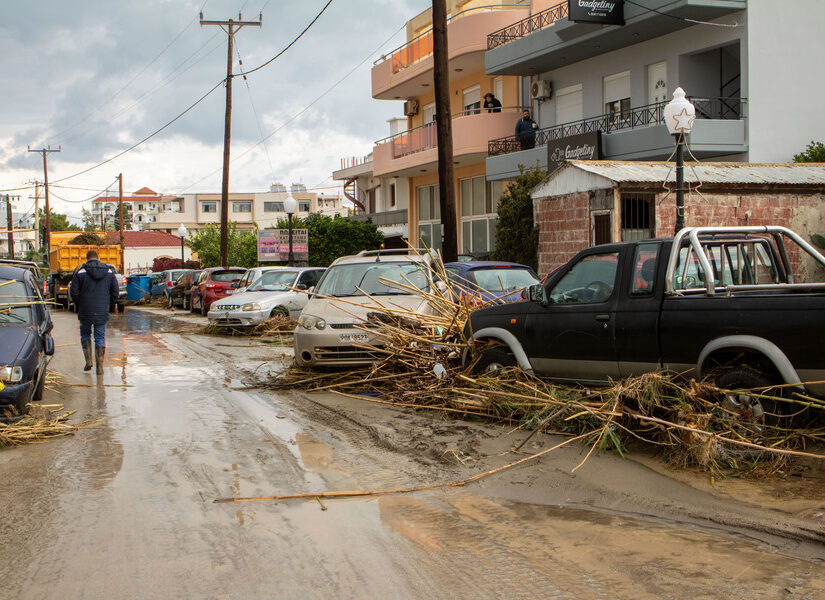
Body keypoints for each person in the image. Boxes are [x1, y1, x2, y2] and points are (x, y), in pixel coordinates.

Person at [69, 250, 119, 374]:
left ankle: (88, 361)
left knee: (85, 335)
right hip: (102, 310)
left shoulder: (81, 272)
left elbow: (74, 292)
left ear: (87, 259)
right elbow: (115, 292)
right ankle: (100, 366)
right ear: (98, 258)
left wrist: (80, 304)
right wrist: (108, 304)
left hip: (85, 310)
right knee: (100, 337)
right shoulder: (109, 271)